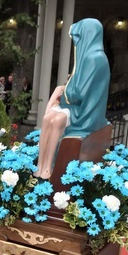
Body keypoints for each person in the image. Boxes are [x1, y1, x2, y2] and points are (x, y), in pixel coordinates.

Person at [35, 18, 110, 179]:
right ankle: (40, 165)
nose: (77, 43)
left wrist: (62, 91)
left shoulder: (95, 59)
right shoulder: (88, 58)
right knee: (48, 117)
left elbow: (80, 92)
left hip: (86, 112)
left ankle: (49, 167)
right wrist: (63, 91)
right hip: (75, 106)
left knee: (57, 120)